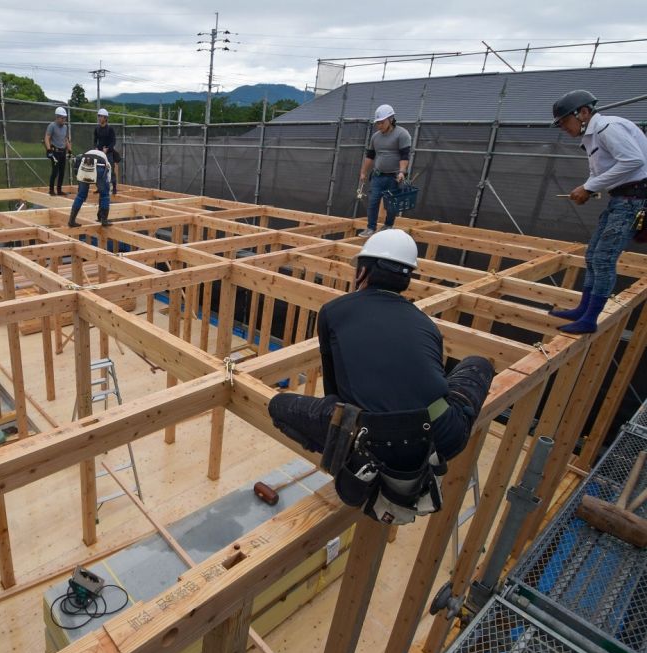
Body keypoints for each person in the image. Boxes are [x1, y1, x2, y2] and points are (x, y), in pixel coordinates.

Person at [267, 229, 494, 523]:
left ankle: (348, 459)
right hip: (441, 436)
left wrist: (338, 433)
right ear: (407, 277)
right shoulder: (425, 322)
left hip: (371, 442)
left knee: (279, 406)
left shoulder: (334, 311)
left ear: (364, 271)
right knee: (478, 364)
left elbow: (335, 393)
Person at [548, 90, 647, 334]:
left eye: (564, 121)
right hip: (622, 199)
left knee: (604, 258)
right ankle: (583, 309)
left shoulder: (607, 128)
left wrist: (589, 187)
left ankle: (589, 319)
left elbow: (633, 161)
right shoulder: (591, 136)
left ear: (583, 112)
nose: (563, 127)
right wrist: (588, 188)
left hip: (634, 200)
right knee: (593, 254)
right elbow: (600, 170)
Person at [358, 104, 412, 238]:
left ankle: (388, 225)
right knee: (373, 202)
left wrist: (402, 171)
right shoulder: (375, 137)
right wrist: (363, 172)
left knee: (391, 204)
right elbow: (370, 156)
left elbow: (404, 156)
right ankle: (370, 228)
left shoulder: (402, 134)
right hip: (378, 175)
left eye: (382, 122)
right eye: (377, 123)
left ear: (391, 119)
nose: (379, 125)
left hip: (394, 177)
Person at [67, 148, 111, 227]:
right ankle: (104, 221)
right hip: (99, 166)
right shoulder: (105, 159)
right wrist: (102, 189)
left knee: (81, 195)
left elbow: (78, 171)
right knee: (105, 195)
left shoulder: (88, 152)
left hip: (84, 166)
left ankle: (71, 221)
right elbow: (107, 178)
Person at [44, 107, 71, 196]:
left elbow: (66, 139)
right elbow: (47, 138)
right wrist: (49, 150)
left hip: (62, 152)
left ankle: (59, 190)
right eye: (62, 118)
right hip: (55, 152)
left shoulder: (65, 127)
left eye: (65, 118)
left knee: (62, 172)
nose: (64, 120)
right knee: (55, 171)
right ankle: (51, 190)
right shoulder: (52, 126)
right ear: (57, 117)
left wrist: (69, 150)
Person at [93, 108, 120, 195]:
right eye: (99, 116)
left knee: (111, 171)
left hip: (108, 154)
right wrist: (96, 148)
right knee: (98, 171)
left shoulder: (110, 129)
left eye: (101, 116)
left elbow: (113, 141)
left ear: (105, 118)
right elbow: (95, 140)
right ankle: (99, 188)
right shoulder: (97, 129)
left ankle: (114, 188)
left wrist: (107, 149)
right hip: (100, 154)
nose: (99, 118)